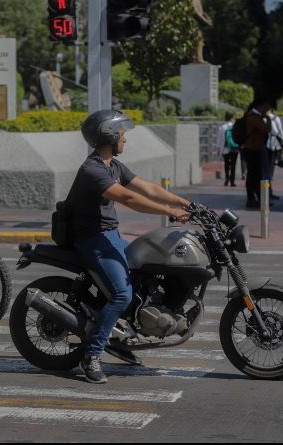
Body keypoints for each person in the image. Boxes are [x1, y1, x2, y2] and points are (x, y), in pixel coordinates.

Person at [68, 109, 190, 384]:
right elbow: (128, 198)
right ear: (109, 136)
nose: (126, 139)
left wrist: (184, 202)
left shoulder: (113, 165)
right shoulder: (93, 169)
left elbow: (146, 187)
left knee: (144, 275)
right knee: (122, 295)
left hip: (110, 236)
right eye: (122, 134)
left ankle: (121, 335)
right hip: (92, 240)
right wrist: (168, 211)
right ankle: (92, 355)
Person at [242, 97, 272, 208]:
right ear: (260, 106)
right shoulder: (253, 117)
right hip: (251, 150)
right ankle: (253, 199)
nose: (268, 108)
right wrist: (267, 118)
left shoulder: (254, 117)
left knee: (255, 174)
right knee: (253, 175)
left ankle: (258, 198)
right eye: (266, 106)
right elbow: (267, 129)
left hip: (254, 149)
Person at [264, 108, 283, 199]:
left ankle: (264, 192)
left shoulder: (261, 117)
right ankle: (269, 192)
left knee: (263, 169)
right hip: (273, 146)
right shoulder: (276, 118)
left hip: (262, 145)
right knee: (270, 170)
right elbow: (279, 132)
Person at [217, 113, 239, 187]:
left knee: (226, 164)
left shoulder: (222, 127)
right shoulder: (234, 126)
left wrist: (218, 149)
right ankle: (232, 181)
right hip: (234, 148)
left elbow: (219, 139)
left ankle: (226, 180)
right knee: (233, 165)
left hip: (225, 148)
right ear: (232, 118)